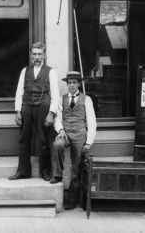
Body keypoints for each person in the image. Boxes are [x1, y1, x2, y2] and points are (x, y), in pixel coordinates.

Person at [9, 42, 60, 181]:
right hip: (27, 106)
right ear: (31, 55)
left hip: (43, 107)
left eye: (39, 54)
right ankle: (23, 171)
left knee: (44, 140)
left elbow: (55, 95)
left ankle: (45, 171)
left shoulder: (51, 71)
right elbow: (19, 92)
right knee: (24, 140)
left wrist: (51, 113)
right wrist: (18, 111)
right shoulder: (25, 71)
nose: (37, 57)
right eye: (34, 54)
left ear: (44, 55)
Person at [51, 71, 97, 210]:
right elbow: (57, 118)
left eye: (74, 82)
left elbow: (92, 121)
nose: (71, 85)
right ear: (67, 84)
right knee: (57, 144)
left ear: (79, 84)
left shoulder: (86, 99)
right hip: (65, 132)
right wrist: (60, 130)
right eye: (69, 83)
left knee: (76, 167)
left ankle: (71, 200)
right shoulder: (61, 99)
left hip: (79, 133)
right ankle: (57, 175)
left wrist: (89, 141)